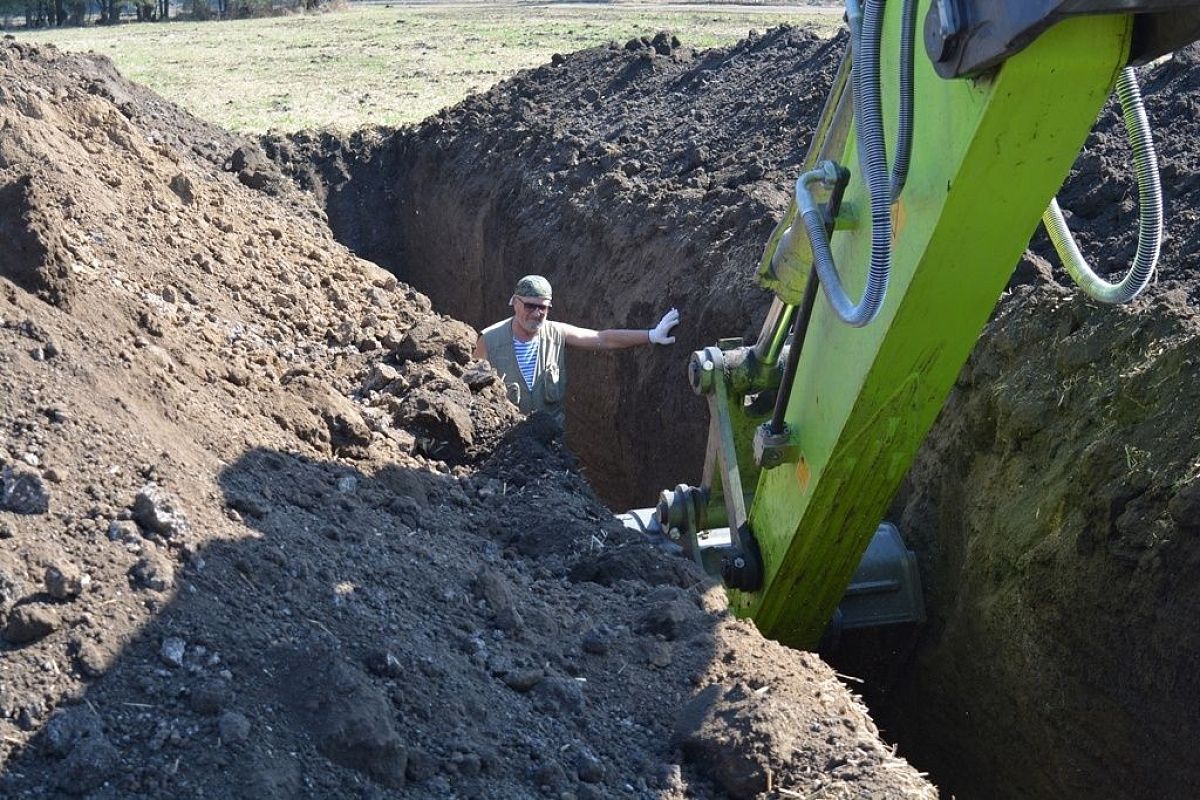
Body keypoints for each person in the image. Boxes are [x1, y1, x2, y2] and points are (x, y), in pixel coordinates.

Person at [474, 274, 679, 426]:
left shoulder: (557, 333)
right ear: (515, 303)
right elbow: (470, 393)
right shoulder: (489, 340)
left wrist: (652, 334)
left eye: (543, 308)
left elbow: (603, 338)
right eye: (530, 306)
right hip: (503, 449)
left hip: (549, 448)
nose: (537, 313)